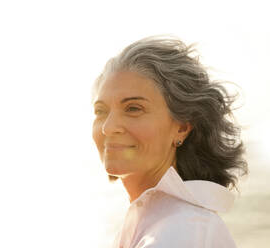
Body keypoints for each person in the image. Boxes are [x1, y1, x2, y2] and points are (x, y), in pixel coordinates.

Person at [91, 36, 248, 248]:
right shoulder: (152, 223)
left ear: (182, 127)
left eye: (133, 108)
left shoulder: (184, 230)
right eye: (101, 111)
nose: (108, 127)